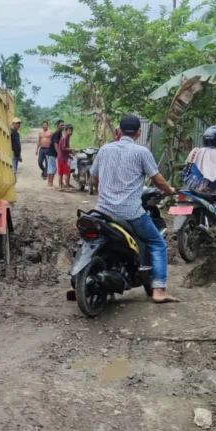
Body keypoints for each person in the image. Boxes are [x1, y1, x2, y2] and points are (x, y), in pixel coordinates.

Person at [90, 114, 179, 304]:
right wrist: (170, 191)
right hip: (131, 213)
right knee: (158, 243)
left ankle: (79, 281)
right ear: (138, 132)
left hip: (102, 212)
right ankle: (159, 290)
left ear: (118, 131)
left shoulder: (104, 149)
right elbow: (157, 179)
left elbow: (94, 178)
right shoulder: (141, 152)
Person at [47, 120, 65, 188]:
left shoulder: (60, 133)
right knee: (52, 168)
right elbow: (55, 144)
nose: (63, 126)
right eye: (61, 125)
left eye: (63, 125)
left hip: (51, 153)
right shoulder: (57, 133)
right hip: (52, 153)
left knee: (50, 168)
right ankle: (50, 184)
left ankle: (49, 183)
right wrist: (59, 153)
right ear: (57, 126)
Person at [56, 124, 74, 191]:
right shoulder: (64, 138)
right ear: (66, 131)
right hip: (63, 158)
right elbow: (63, 148)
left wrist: (70, 155)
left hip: (61, 157)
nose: (71, 132)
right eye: (69, 130)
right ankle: (67, 188)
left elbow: (64, 149)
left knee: (61, 173)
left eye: (71, 131)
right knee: (66, 173)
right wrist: (72, 149)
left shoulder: (66, 137)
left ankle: (60, 187)